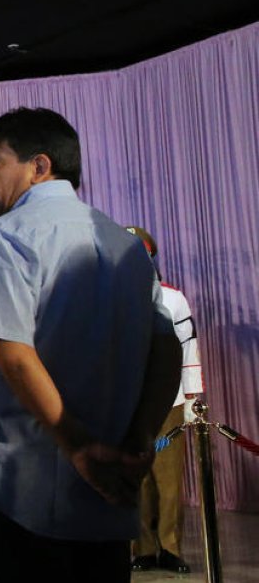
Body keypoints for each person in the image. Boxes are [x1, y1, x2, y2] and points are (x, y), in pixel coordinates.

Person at [0, 107, 182, 583]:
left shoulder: (6, 235)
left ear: (39, 166)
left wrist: (79, 449)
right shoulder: (125, 244)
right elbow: (166, 351)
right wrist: (138, 441)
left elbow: (14, 355)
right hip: (110, 494)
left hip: (27, 493)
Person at [125, 225, 203, 575]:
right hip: (130, 403)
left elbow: (188, 349)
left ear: (151, 257)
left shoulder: (174, 299)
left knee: (169, 479)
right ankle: (142, 548)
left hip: (170, 401)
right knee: (137, 478)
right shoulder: (112, 299)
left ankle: (170, 547)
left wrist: (192, 397)